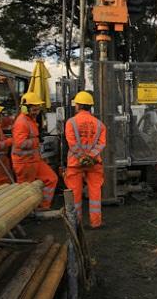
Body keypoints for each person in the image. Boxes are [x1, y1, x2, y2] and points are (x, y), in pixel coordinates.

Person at [65, 91, 107, 229]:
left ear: (78, 105)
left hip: (75, 163)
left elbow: (71, 143)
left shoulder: (71, 122)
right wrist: (90, 156)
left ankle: (76, 224)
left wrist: (81, 157)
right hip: (94, 164)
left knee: (75, 193)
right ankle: (96, 222)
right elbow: (101, 144)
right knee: (95, 192)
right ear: (90, 106)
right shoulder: (100, 125)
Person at [12, 92, 58, 209]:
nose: (36, 112)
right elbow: (20, 143)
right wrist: (36, 142)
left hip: (34, 161)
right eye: (34, 109)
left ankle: (43, 206)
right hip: (24, 163)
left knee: (51, 179)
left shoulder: (30, 120)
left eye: (37, 109)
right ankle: (24, 213)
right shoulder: (22, 122)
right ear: (25, 108)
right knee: (25, 191)